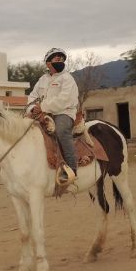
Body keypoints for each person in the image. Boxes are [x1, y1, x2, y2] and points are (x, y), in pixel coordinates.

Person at [26, 48, 80, 183]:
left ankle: (72, 169)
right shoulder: (42, 80)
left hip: (64, 112)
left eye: (62, 59)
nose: (60, 61)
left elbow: (64, 99)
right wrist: (32, 108)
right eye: (57, 59)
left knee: (61, 131)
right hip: (44, 113)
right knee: (27, 130)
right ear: (48, 63)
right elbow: (32, 96)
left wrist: (42, 107)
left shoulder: (67, 78)